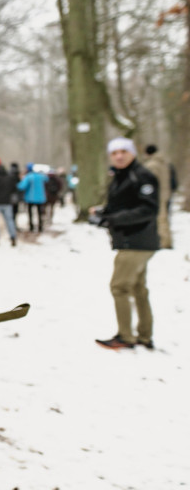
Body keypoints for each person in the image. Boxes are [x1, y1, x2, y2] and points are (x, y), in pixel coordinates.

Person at [90, 137, 160, 350]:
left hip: (137, 241)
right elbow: (123, 204)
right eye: (114, 153)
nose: (119, 156)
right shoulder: (120, 176)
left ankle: (125, 337)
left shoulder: (142, 176)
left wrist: (113, 219)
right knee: (138, 288)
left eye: (124, 151)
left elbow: (148, 209)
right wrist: (103, 212)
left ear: (133, 153)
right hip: (131, 240)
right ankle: (145, 336)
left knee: (119, 286)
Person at [142, 144, 173, 249]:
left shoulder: (152, 165)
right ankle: (166, 240)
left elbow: (150, 182)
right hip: (165, 193)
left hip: (158, 196)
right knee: (164, 218)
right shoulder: (164, 163)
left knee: (161, 219)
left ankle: (164, 242)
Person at [0, 157, 18, 246]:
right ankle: (13, 237)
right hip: (7, 202)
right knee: (9, 220)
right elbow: (14, 188)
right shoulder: (9, 176)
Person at [16, 163, 48, 233]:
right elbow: (47, 179)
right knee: (39, 212)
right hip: (40, 198)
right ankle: (40, 227)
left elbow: (21, 186)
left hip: (31, 198)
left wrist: (16, 184)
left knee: (30, 213)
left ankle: (31, 227)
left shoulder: (28, 177)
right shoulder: (40, 176)